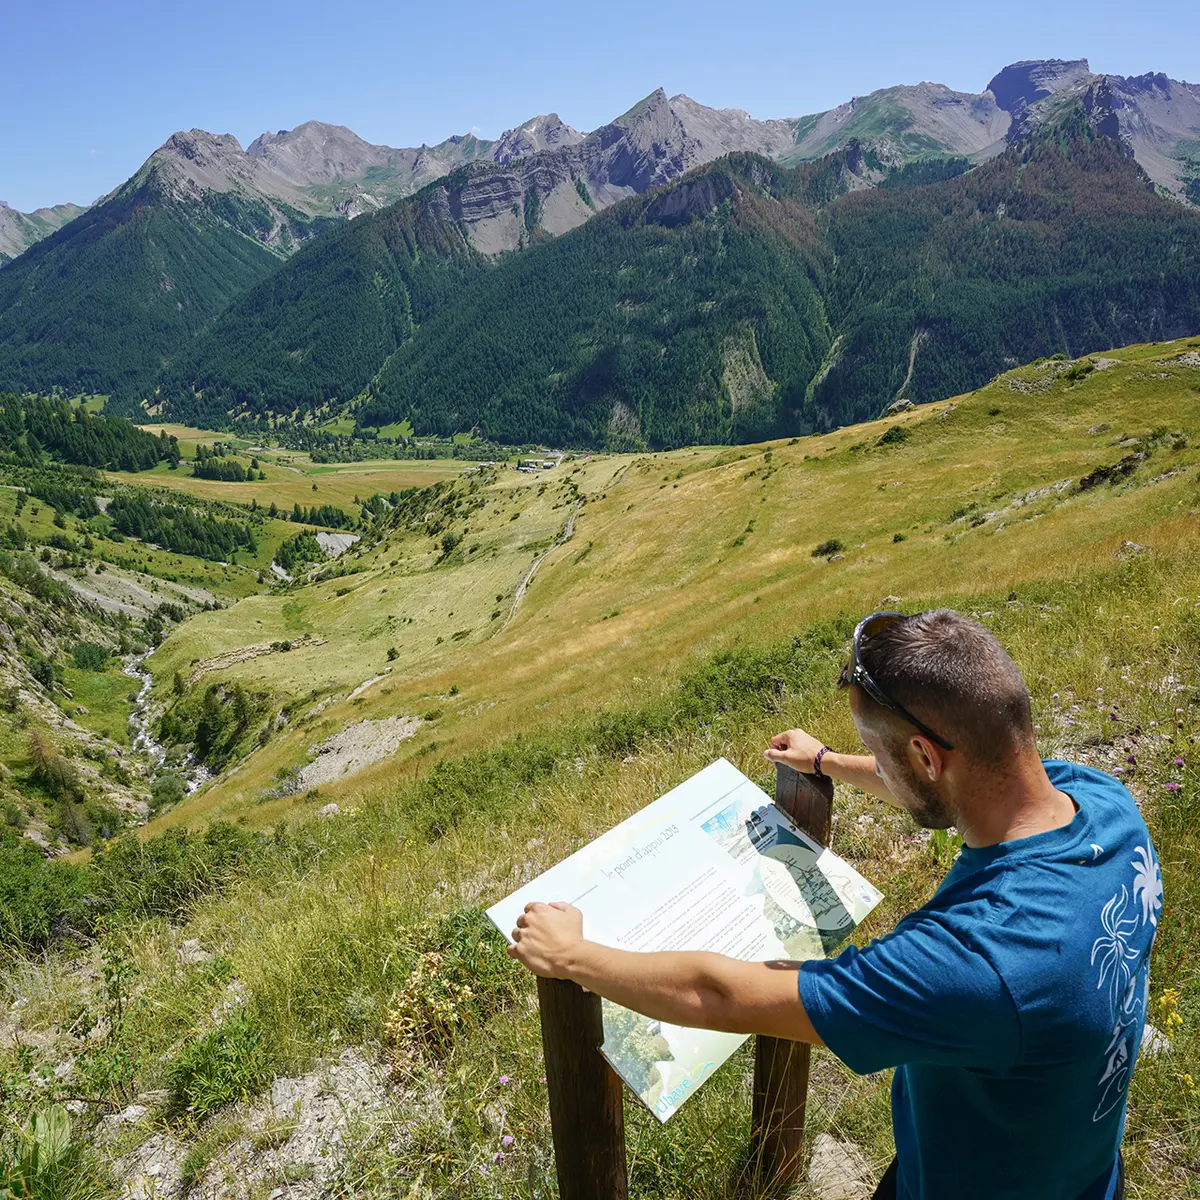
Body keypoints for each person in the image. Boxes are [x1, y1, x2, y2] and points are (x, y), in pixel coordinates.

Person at [508, 610, 1162, 1200]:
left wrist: (575, 955)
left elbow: (722, 996)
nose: (877, 763)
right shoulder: (1103, 804)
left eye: (883, 753)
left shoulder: (976, 964)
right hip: (1079, 1172)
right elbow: (943, 779)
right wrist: (824, 760)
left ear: (925, 756)